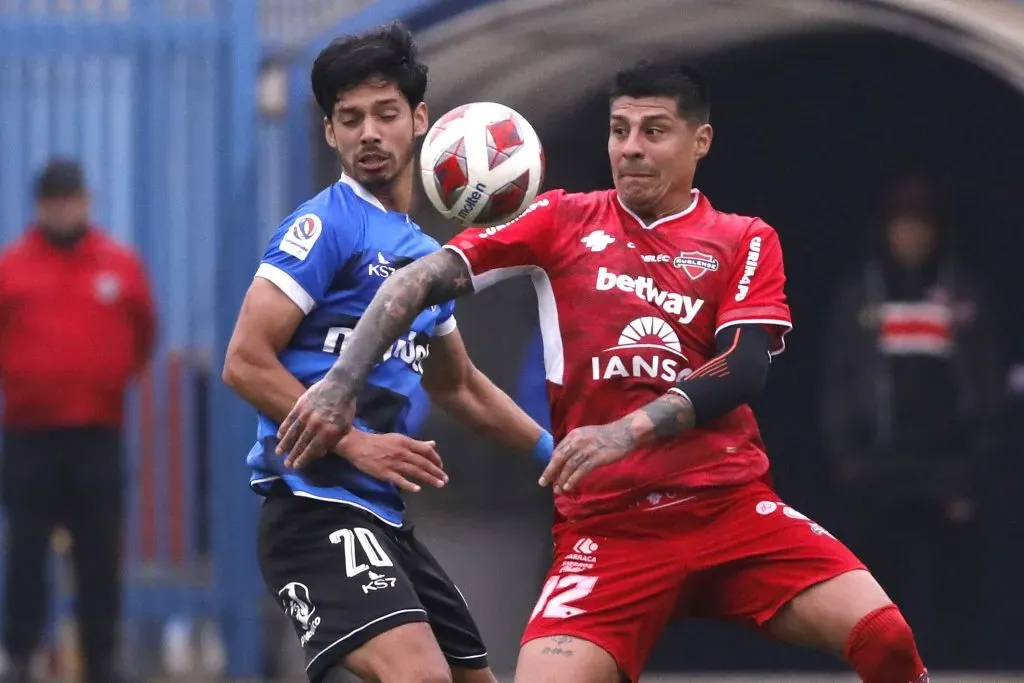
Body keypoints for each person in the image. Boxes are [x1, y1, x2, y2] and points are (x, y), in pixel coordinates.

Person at [277, 60, 932, 683]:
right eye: (619, 131)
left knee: (886, 637)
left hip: (731, 511)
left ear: (699, 140)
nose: (631, 149)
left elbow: (744, 365)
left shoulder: (743, 237)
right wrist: (339, 385)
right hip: (609, 530)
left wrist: (626, 431)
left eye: (653, 131)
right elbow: (418, 281)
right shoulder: (561, 220)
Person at [221, 23, 552, 683]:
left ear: (421, 120)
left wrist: (560, 454)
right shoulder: (327, 224)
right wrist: (355, 443)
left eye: (385, 113)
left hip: (385, 519)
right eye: (350, 119)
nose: (368, 132)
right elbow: (245, 360)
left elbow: (459, 386)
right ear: (329, 134)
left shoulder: (425, 258)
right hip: (311, 508)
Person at [822, 176, 1002, 668]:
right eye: (903, 226)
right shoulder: (863, 292)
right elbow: (840, 375)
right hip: (881, 464)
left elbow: (986, 381)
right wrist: (849, 455)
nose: (911, 237)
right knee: (877, 586)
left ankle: (965, 673)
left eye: (921, 226)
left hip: (948, 466)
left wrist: (974, 467)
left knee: (957, 585)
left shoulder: (963, 292)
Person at [0, 159, 156, 683]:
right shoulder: (12, 268)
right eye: (53, 200)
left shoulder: (119, 264)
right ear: (39, 206)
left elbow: (143, 334)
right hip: (30, 438)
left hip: (97, 434)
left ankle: (101, 659)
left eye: (71, 198)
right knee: (25, 552)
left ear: (86, 200)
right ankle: (18, 656)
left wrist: (105, 380)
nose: (64, 208)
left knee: (97, 556)